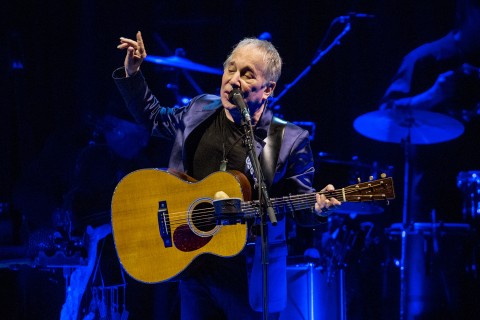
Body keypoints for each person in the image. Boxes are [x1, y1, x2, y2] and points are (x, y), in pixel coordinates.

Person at [113, 31, 341, 319]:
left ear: (267, 89)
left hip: (251, 276)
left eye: (247, 75)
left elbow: (300, 207)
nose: (233, 79)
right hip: (193, 260)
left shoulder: (289, 139)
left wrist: (319, 209)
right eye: (231, 68)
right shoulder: (200, 109)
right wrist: (133, 74)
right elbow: (155, 118)